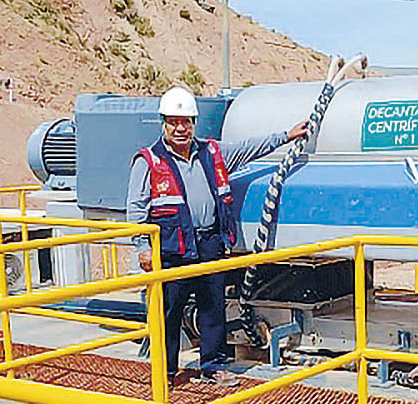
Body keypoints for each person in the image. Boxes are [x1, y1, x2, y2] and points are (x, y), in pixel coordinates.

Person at [127, 86, 308, 385]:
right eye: (174, 122)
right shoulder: (148, 162)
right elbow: (135, 208)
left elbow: (249, 147)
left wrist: (285, 136)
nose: (180, 128)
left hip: (209, 243)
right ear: (163, 124)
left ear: (194, 124)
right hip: (172, 248)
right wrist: (142, 247)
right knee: (168, 311)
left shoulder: (212, 152)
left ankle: (212, 365)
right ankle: (166, 372)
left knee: (212, 307)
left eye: (186, 122)